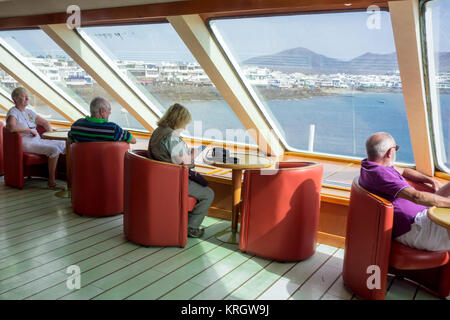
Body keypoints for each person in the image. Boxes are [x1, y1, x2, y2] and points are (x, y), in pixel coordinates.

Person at [359, 132, 450, 252]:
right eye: (396, 148)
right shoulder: (380, 174)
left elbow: (404, 171)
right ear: (390, 152)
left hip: (420, 214)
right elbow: (416, 196)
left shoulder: (371, 166)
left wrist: (430, 180)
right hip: (416, 229)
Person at [148, 103, 214, 238]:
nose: (184, 127)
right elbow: (184, 164)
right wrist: (194, 155)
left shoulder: (157, 131)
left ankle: (183, 222)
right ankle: (191, 228)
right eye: (184, 123)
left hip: (157, 178)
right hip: (173, 180)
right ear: (178, 121)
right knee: (208, 194)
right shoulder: (172, 138)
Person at [6, 87, 66, 190]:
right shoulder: (13, 112)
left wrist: (50, 134)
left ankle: (69, 175)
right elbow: (10, 127)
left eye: (27, 96)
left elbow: (44, 122)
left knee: (63, 143)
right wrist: (29, 130)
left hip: (37, 140)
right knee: (54, 150)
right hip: (25, 143)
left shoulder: (29, 112)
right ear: (15, 98)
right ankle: (51, 183)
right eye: (24, 96)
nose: (27, 99)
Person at [68, 97, 136, 144]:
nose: (110, 113)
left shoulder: (76, 126)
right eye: (109, 110)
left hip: (81, 164)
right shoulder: (113, 130)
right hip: (106, 164)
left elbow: (70, 141)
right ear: (102, 111)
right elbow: (133, 140)